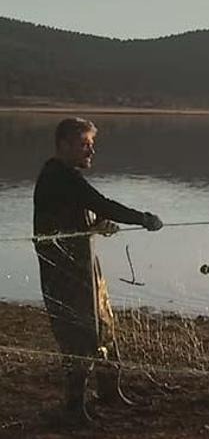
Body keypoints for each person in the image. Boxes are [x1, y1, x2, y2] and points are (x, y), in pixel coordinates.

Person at [33, 117, 164, 425]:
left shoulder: (66, 176)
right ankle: (74, 409)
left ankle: (110, 394)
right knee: (79, 334)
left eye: (92, 145)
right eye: (84, 145)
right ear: (64, 145)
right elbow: (101, 203)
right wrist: (144, 218)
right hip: (64, 272)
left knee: (105, 326)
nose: (90, 152)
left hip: (84, 266)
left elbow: (81, 214)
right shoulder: (58, 174)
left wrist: (94, 226)